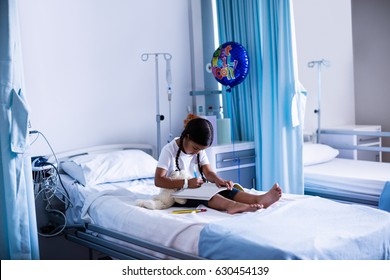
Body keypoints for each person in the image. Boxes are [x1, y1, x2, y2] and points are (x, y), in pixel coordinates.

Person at [154, 118, 282, 214]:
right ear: (187, 136)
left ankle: (258, 199)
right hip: (175, 195)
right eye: (195, 148)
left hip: (190, 186)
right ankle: (231, 206)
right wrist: (186, 183)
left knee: (222, 189)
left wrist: (219, 180)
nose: (197, 152)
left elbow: (208, 172)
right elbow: (158, 180)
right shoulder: (169, 150)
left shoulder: (198, 150)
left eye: (200, 150)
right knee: (203, 194)